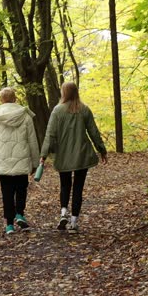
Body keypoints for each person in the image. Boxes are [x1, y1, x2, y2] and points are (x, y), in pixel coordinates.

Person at [40, 82, 108, 231]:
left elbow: (50, 134)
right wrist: (102, 150)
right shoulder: (84, 110)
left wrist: (43, 154)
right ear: (76, 92)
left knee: (65, 185)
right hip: (81, 155)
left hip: (63, 155)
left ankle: (63, 212)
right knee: (78, 187)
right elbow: (94, 132)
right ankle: (74, 222)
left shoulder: (57, 111)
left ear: (64, 93)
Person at [0, 87, 40, 234]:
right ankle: (19, 214)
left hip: (2, 162)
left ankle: (9, 225)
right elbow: (32, 141)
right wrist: (35, 162)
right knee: (21, 189)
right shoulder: (25, 116)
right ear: (15, 99)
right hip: (22, 160)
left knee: (6, 192)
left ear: (1, 100)